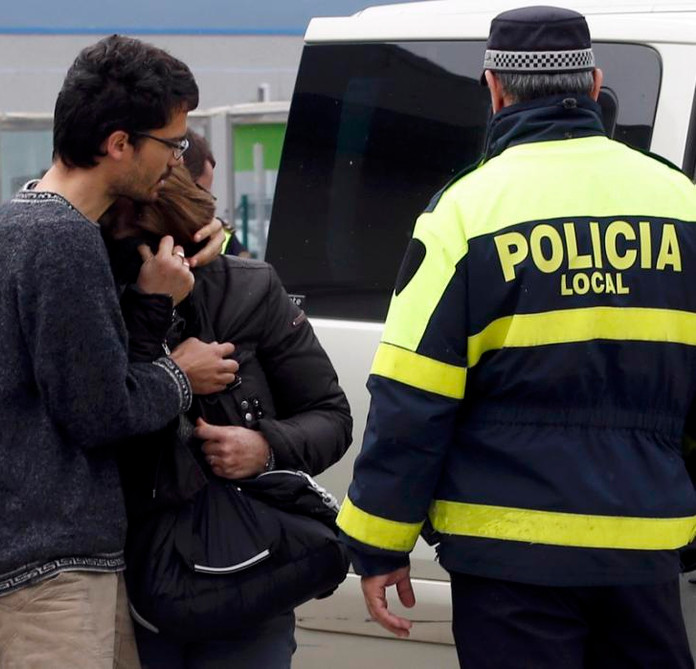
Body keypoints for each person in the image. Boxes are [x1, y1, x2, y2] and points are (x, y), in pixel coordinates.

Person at [337, 6, 696, 668]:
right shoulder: (680, 203)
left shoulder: (465, 211)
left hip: (506, 555)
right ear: (594, 85)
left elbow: (412, 396)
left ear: (494, 89)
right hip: (644, 547)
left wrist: (379, 541)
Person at [0, 35, 238, 669]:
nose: (177, 160)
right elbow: (99, 410)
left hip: (47, 557)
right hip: (45, 570)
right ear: (119, 144)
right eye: (172, 144)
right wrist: (181, 374)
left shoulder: (28, 219)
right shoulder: (59, 239)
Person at [103, 165, 352, 668]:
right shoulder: (98, 296)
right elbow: (100, 419)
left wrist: (265, 447)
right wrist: (160, 339)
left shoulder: (249, 287)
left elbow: (331, 416)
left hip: (244, 562)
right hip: (131, 575)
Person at [182, 128, 251, 257]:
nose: (207, 205)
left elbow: (245, 263)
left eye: (208, 197)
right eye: (200, 193)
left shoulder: (221, 234)